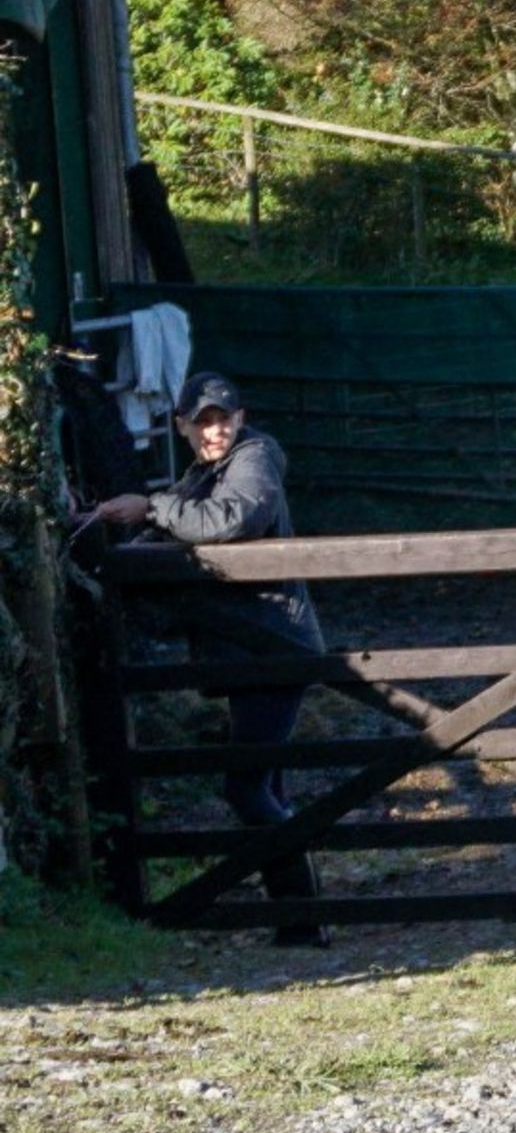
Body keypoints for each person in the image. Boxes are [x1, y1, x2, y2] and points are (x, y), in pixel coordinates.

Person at [96, 372, 331, 947]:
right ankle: (299, 919)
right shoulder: (203, 473)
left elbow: (231, 520)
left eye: (222, 417)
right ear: (181, 426)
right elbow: (186, 531)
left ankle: (304, 917)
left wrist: (149, 508)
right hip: (254, 647)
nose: (215, 429)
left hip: (273, 648)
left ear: (241, 418)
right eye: (202, 420)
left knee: (246, 787)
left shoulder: (254, 458)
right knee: (266, 786)